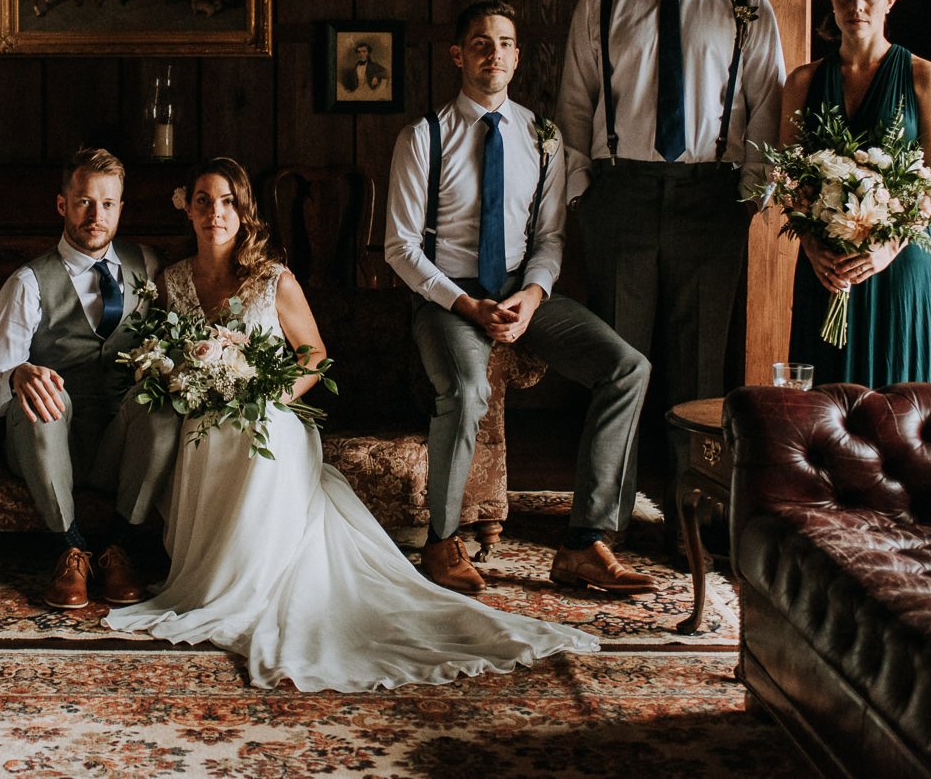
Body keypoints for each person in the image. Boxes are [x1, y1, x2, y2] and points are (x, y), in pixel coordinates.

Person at [105, 158, 597, 692]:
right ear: (189, 209)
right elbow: (166, 354)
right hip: (206, 414)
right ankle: (211, 577)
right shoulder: (173, 280)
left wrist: (265, 395)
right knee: (205, 431)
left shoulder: (273, 278)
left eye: (227, 202)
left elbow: (314, 358)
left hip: (270, 410)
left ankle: (252, 581)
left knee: (256, 431)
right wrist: (191, 380)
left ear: (244, 212)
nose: (215, 213)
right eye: (203, 200)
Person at [386, 2, 656, 597]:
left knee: (627, 368)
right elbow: (401, 249)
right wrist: (465, 306)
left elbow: (550, 238)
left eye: (505, 44)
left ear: (517, 56)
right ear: (459, 55)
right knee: (466, 390)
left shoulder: (544, 138)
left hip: (519, 292)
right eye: (480, 43)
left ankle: (585, 543)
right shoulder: (423, 138)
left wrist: (533, 296)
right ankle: (441, 540)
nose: (494, 54)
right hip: (448, 299)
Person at [556, 0, 786, 419]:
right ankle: (612, 506)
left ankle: (693, 504)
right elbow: (574, 103)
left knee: (702, 369)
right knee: (617, 365)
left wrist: (752, 194)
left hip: (713, 198)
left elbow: (769, 103)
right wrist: (581, 193)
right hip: (620, 196)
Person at [0, 147, 178, 609]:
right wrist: (17, 376)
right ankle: (70, 549)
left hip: (116, 448)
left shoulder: (148, 267)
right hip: (50, 443)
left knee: (164, 403)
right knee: (45, 395)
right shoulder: (27, 282)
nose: (95, 215)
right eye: (84, 201)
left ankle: (117, 547)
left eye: (107, 204)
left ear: (121, 209)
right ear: (62, 204)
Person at [781, 0, 931, 386]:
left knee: (896, 399)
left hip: (897, 262)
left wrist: (887, 247)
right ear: (832, 2)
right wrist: (810, 245)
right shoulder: (803, 81)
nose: (856, 7)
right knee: (825, 399)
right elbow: (786, 175)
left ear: (891, 0)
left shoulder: (924, 76)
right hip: (828, 264)